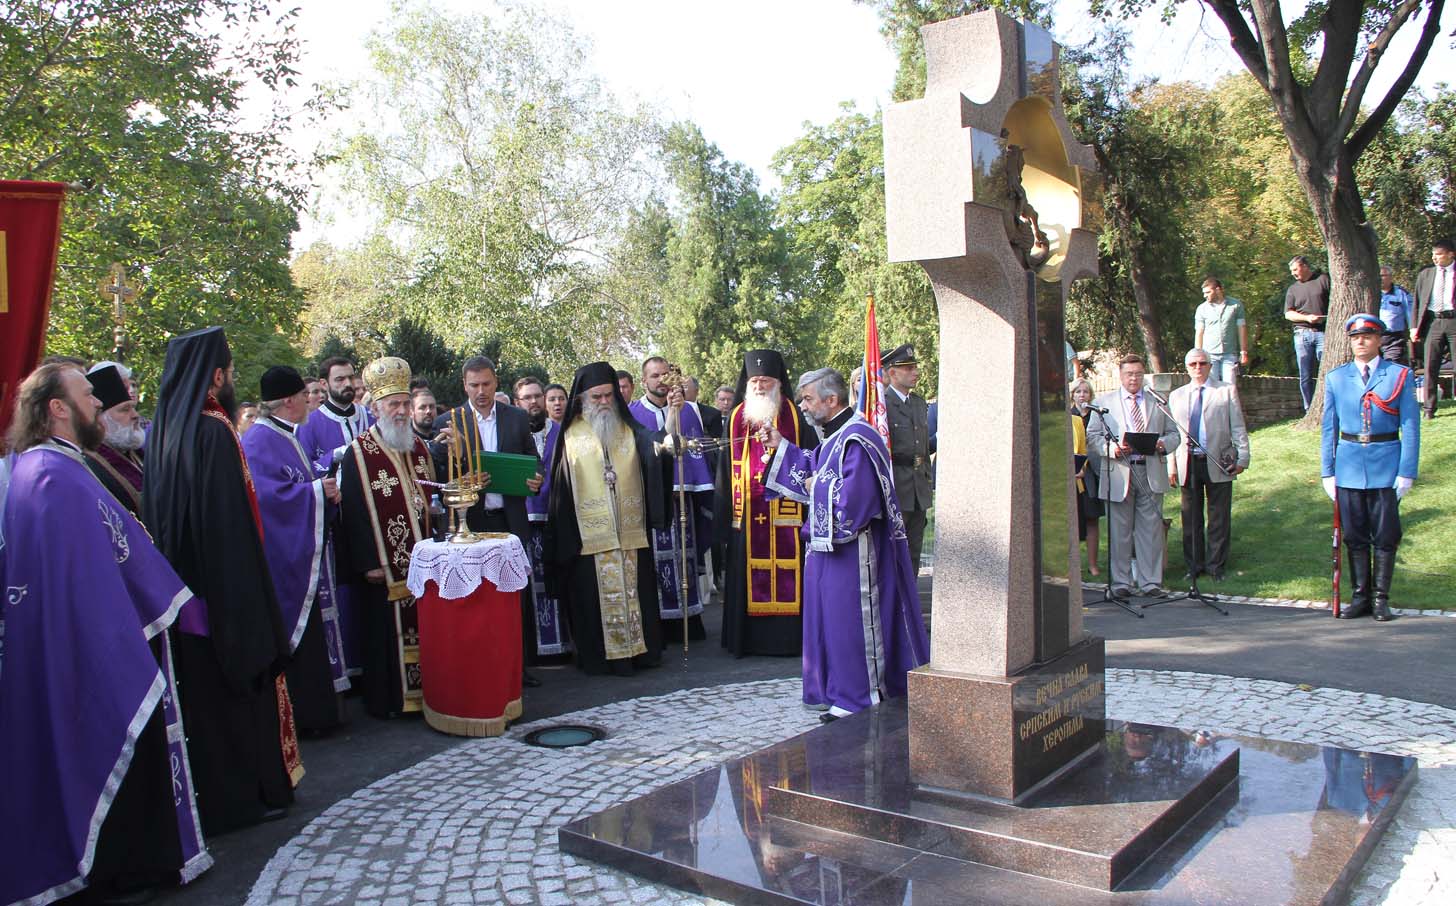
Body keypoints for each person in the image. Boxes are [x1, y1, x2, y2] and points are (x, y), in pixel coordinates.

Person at [1, 364, 211, 905]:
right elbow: (88, 575)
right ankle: (123, 868)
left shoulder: (50, 466)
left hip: (93, 634)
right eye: (88, 394)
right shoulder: (51, 475)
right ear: (57, 407)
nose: (97, 402)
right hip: (91, 644)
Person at [141, 326, 298, 835]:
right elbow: (231, 526)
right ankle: (248, 797)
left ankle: (216, 798)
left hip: (184, 593)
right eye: (228, 372)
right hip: (225, 595)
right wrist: (250, 606)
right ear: (215, 377)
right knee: (235, 700)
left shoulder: (163, 429)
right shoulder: (215, 430)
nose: (232, 381)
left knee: (203, 703)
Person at [763, 367, 929, 720]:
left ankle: (860, 697)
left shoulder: (857, 437)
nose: (802, 406)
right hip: (828, 551)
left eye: (808, 399)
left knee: (851, 624)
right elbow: (815, 467)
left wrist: (816, 487)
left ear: (832, 399)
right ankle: (838, 690)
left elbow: (857, 501)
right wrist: (782, 448)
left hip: (855, 553)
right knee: (831, 623)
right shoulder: (834, 437)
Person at [544, 362, 673, 675]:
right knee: (592, 598)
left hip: (629, 534)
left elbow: (652, 445)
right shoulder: (569, 435)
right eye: (596, 397)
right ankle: (602, 658)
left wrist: (665, 443)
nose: (603, 402)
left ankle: (641, 653)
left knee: (636, 592)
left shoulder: (628, 429)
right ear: (582, 398)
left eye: (608, 396)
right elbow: (561, 492)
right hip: (589, 540)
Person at [243, 366, 351, 733]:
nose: (310, 402)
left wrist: (321, 490)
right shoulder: (258, 441)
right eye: (305, 396)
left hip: (305, 553)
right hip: (284, 560)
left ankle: (323, 712)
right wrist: (318, 492)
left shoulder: (285, 434)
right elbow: (268, 500)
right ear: (289, 400)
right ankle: (307, 718)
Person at [430, 356, 545, 685]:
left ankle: (518, 667)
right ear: (464, 386)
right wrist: (460, 471)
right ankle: (482, 666)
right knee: (479, 597)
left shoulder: (516, 417)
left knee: (514, 597)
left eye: (486, 384)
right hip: (471, 522)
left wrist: (536, 477)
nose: (481, 391)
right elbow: (439, 472)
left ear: (496, 383)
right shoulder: (448, 421)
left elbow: (533, 460)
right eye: (474, 385)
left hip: (510, 520)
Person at [336, 357, 438, 715]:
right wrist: (369, 562)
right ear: (376, 408)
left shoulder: (417, 446)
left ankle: (427, 695)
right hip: (383, 567)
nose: (401, 411)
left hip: (421, 563)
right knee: (384, 635)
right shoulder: (358, 453)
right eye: (393, 404)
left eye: (405, 403)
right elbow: (352, 514)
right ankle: (391, 702)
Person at [715, 349, 817, 657]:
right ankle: (746, 640)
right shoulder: (737, 418)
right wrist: (724, 515)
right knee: (746, 573)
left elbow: (810, 459)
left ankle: (787, 640)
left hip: (788, 516)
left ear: (779, 383)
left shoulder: (795, 417)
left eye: (766, 381)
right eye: (755, 381)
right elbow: (724, 469)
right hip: (746, 516)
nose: (760, 386)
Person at [1322, 315, 1419, 621]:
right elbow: (1329, 428)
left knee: (1386, 535)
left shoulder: (1399, 374)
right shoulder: (1337, 378)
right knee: (1354, 535)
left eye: (1367, 336)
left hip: (1385, 464)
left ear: (1379, 340)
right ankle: (1360, 596)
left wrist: (1407, 471)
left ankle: (1380, 599)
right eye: (1355, 337)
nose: (1360, 342)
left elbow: (1410, 427)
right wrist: (1328, 471)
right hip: (1349, 465)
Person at [629, 357, 710, 645]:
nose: (661, 379)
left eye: (665, 374)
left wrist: (686, 483)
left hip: (680, 500)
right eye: (655, 375)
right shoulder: (633, 413)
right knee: (655, 560)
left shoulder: (687, 410)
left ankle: (687, 618)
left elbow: (696, 450)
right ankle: (659, 622)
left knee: (684, 556)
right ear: (644, 381)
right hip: (649, 501)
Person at [1086, 354, 1180, 597]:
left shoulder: (1157, 401)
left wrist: (1162, 444)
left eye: (1138, 374)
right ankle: (1121, 583)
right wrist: (1111, 449)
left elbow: (1174, 435)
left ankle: (1151, 583)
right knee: (1120, 532)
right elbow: (1092, 437)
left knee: (1150, 531)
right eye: (1129, 374)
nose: (1134, 379)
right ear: (1120, 375)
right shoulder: (1104, 403)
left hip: (1150, 469)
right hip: (1119, 471)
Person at [1167, 349, 1251, 582]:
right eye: (1193, 364)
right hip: (1188, 461)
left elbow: (1238, 427)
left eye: (1202, 363)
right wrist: (1170, 466)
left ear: (1210, 366)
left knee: (1219, 517)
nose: (1198, 367)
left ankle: (1216, 567)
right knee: (1190, 517)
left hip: (1219, 460)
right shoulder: (1177, 396)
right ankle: (1194, 566)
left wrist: (1243, 458)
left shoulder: (1225, 391)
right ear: (1186, 367)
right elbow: (1172, 433)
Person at [519, 377, 571, 659]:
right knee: (528, 585)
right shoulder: (512, 434)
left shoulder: (564, 433)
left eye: (537, 396)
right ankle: (532, 651)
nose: (534, 402)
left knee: (557, 578)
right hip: (524, 522)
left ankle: (562, 645)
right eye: (527, 398)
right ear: (518, 402)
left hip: (556, 518)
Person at [881, 344, 935, 572]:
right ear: (892, 373)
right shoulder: (882, 405)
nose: (916, 372)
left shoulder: (919, 404)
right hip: (897, 486)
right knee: (894, 554)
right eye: (908, 368)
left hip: (918, 489)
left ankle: (910, 595)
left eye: (915, 367)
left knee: (913, 554)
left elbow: (922, 449)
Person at [83, 362, 146, 515]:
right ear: (99, 419)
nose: (135, 415)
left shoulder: (134, 453)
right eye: (125, 410)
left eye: (133, 408)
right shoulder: (89, 464)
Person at [298, 356, 373, 473]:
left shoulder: (371, 416)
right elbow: (303, 469)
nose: (348, 384)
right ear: (324, 384)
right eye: (340, 379)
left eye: (351, 377)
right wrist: (333, 456)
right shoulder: (308, 424)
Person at [1412, 238, 1456, 419]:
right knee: (1430, 365)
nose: (1435, 258)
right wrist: (1414, 327)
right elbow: (1416, 302)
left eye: (1439, 254)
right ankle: (1429, 408)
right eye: (1433, 254)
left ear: (1451, 254)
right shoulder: (1426, 274)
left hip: (1453, 320)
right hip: (1433, 322)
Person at [1284, 255, 1331, 410]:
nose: (1293, 273)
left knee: (1327, 370)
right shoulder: (1293, 289)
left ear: (1304, 266)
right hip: (1302, 333)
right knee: (1305, 375)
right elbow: (1288, 314)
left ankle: (1328, 404)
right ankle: (1309, 409)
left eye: (1295, 269)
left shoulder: (1323, 280)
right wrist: (1307, 318)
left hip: (1322, 332)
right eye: (1291, 271)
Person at [1069, 378, 1102, 576]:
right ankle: (1074, 565)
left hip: (1090, 475)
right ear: (1072, 395)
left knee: (1092, 518)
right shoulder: (1068, 417)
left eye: (1086, 391)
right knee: (1072, 520)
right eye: (1078, 391)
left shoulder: (1097, 415)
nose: (1082, 395)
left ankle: (1093, 564)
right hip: (1072, 474)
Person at [1193, 277, 1248, 383]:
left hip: (1229, 354)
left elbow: (1242, 328)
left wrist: (1244, 352)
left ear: (1218, 290)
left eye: (1208, 292)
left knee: (1230, 386)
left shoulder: (1235, 305)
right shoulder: (1202, 309)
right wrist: (1198, 356)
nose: (1205, 296)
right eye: (1204, 293)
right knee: (1211, 387)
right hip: (1209, 355)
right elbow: (1199, 333)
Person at [1378, 265, 1414, 365]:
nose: (1380, 278)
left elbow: (1410, 314)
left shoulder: (1401, 293)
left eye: (1383, 275)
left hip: (1394, 338)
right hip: (1374, 336)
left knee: (1393, 364)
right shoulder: (1371, 292)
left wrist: (1412, 331)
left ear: (1390, 277)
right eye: (1378, 276)